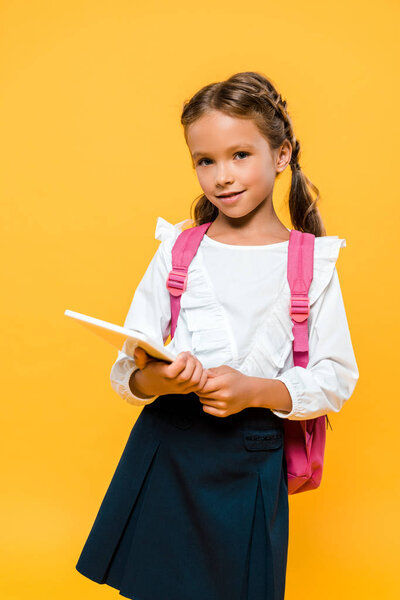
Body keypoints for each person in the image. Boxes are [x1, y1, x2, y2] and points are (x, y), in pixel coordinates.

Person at [75, 71, 359, 600]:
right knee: (155, 586)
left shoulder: (311, 262)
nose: (221, 177)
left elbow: (336, 378)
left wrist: (256, 390)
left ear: (281, 155)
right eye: (205, 161)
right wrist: (162, 379)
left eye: (239, 155)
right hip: (166, 449)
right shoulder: (177, 250)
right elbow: (128, 376)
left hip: (250, 459)